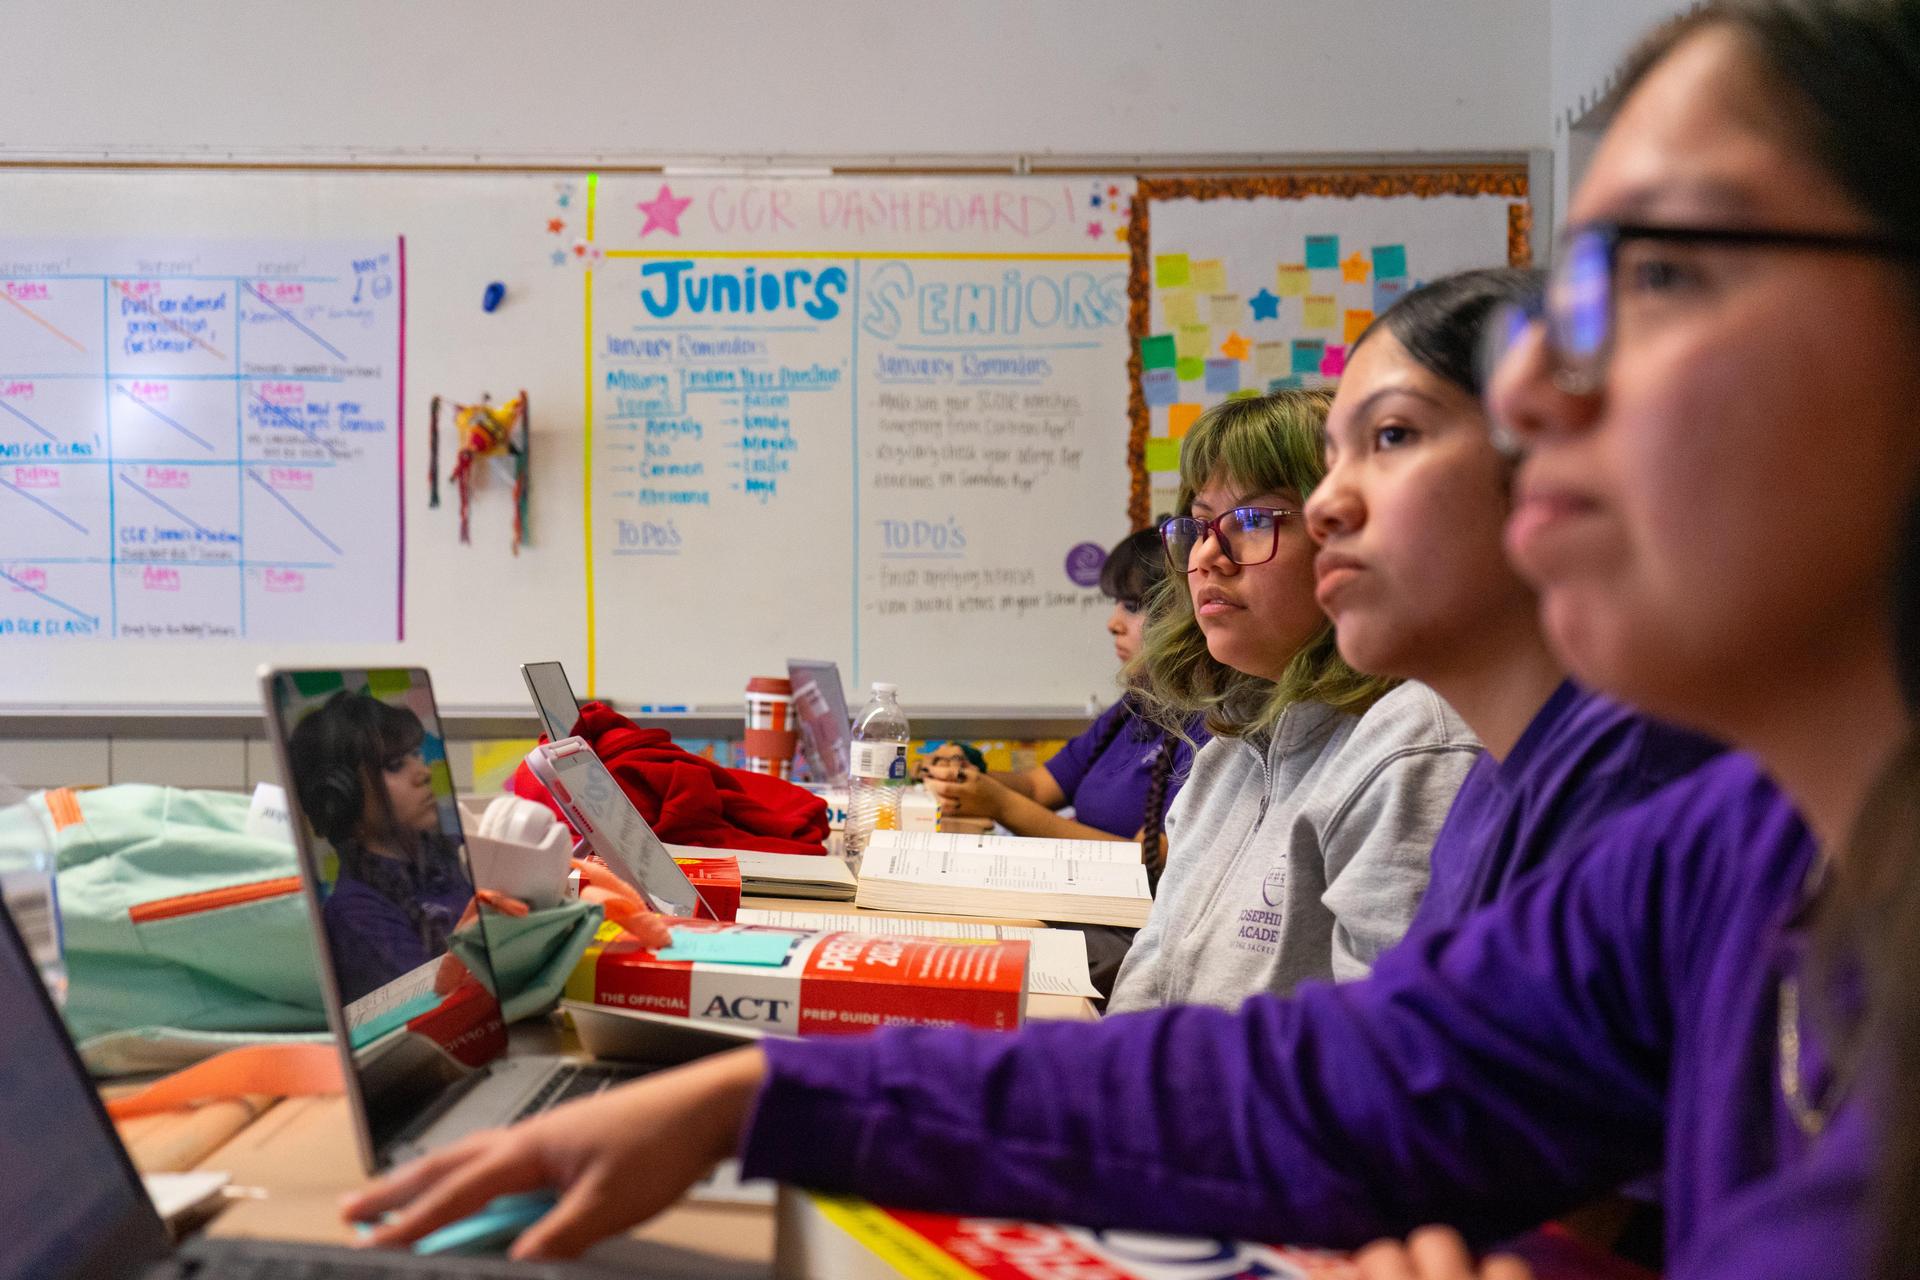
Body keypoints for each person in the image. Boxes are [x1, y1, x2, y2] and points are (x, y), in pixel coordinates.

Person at [344, 3, 1920, 1273]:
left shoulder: (1648, 795)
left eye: (1663, 276)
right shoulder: (1733, 842)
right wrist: (762, 1098)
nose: (1535, 399)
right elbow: (1330, 1091)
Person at [1310, 268, 1722, 945]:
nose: (1324, 505)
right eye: (1330, 460)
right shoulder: (1499, 779)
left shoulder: (1635, 786)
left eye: (1391, 435)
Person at [1105, 389, 1479, 1011]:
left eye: (1251, 522)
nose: (1207, 557)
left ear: (1350, 540)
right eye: (1198, 526)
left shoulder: (1414, 747)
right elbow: (1153, 975)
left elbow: (1380, 1063)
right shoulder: (1228, 751)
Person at [919, 525, 1203, 869]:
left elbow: (1148, 861)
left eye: (1131, 606)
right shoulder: (1136, 709)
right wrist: (965, 775)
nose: (1113, 623)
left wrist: (1002, 806)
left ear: (1181, 615)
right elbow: (1038, 787)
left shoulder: (1207, 732)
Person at [287, 690, 472, 1004]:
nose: (423, 772)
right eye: (396, 764)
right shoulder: (356, 913)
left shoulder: (450, 856)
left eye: (416, 755)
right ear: (342, 798)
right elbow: (435, 1012)